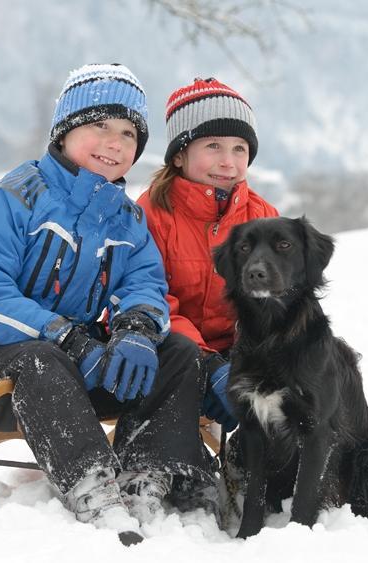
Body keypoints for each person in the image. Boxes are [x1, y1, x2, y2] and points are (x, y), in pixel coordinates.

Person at [0, 64, 212, 546]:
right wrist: (65, 336)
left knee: (177, 354)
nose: (114, 142)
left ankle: (146, 473)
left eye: (128, 133)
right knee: (41, 357)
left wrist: (135, 331)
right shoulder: (12, 199)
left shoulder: (125, 220)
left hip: (75, 367)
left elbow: (144, 282)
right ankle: (91, 482)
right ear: (65, 132)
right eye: (99, 126)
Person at [137, 77, 279, 435]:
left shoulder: (262, 217)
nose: (228, 162)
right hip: (174, 352)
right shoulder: (152, 214)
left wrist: (244, 362)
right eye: (213, 145)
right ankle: (174, 463)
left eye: (239, 149)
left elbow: (278, 304)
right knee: (176, 355)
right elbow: (151, 299)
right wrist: (208, 365)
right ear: (180, 154)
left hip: (239, 352)